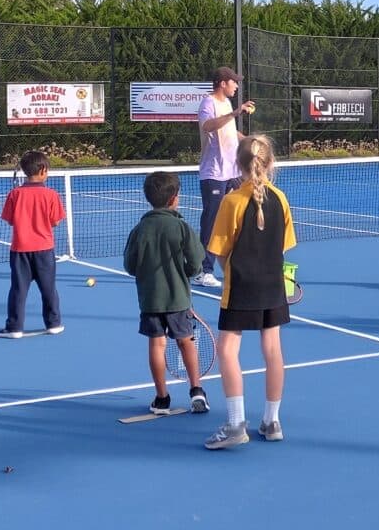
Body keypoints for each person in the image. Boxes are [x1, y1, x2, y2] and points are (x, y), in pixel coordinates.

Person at [203, 134, 296, 450]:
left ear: (237, 164)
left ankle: (235, 425)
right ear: (270, 163)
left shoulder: (231, 202)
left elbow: (218, 250)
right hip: (272, 284)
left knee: (228, 348)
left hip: (241, 285)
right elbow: (283, 245)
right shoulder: (281, 198)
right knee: (273, 348)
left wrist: (235, 265)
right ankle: (272, 421)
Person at [123, 171, 210, 415]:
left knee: (156, 344)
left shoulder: (140, 229)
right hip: (178, 299)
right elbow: (195, 264)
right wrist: (183, 273)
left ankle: (162, 399)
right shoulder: (182, 227)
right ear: (174, 197)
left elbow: (130, 266)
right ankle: (197, 392)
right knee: (187, 342)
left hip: (150, 300)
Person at [195, 66, 256, 287]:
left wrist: (250, 140)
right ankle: (205, 271)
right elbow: (208, 126)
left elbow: (230, 131)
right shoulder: (208, 103)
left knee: (246, 211)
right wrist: (234, 113)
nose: (237, 85)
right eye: (234, 82)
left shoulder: (227, 103)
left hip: (233, 172)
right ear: (223, 83)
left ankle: (240, 263)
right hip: (213, 173)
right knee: (211, 222)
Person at [0, 150, 66, 338]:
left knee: (18, 290)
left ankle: (14, 328)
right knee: (49, 288)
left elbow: (10, 220)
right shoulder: (51, 195)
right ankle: (54, 324)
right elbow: (56, 221)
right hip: (44, 250)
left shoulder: (14, 194)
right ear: (43, 170)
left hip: (20, 250)